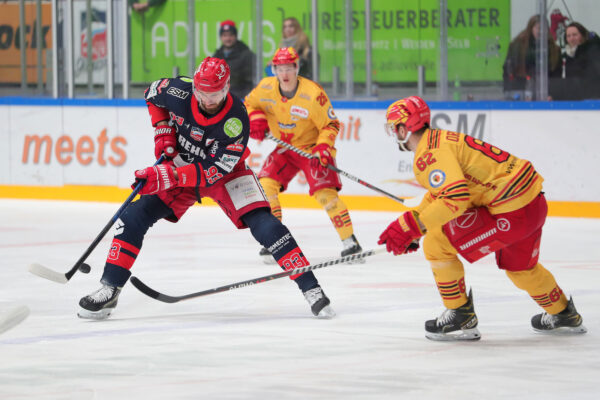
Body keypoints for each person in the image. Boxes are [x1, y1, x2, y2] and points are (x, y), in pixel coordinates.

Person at [77, 57, 335, 320]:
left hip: (225, 174)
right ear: (194, 86)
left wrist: (169, 175)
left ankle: (311, 288)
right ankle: (110, 287)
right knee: (133, 216)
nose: (208, 100)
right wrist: (164, 131)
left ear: (226, 88)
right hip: (182, 164)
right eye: (202, 93)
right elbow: (152, 94)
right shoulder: (178, 90)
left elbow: (214, 171)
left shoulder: (236, 119)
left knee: (267, 225)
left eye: (215, 94)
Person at [378, 96, 587, 341]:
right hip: (533, 203)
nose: (394, 134)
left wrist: (416, 227)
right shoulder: (441, 140)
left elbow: (454, 199)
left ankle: (460, 314)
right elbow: (444, 193)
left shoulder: (428, 155)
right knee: (521, 269)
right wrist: (413, 222)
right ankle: (563, 313)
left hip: (511, 212)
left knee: (436, 244)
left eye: (394, 128)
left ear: (404, 128)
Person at [244, 47, 363, 264]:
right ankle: (275, 241)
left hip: (311, 149)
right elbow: (250, 104)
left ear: (297, 67)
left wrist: (323, 148)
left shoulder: (313, 94)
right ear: (274, 70)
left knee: (325, 195)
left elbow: (331, 124)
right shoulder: (265, 88)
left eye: (289, 67)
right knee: (265, 186)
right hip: (284, 149)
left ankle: (350, 243)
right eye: (280, 68)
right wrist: (257, 118)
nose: (285, 73)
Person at [502, 15, 561, 100]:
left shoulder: (554, 49)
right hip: (520, 91)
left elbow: (556, 76)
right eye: (538, 28)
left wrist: (553, 94)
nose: (541, 31)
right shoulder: (517, 45)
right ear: (531, 28)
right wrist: (509, 91)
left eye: (544, 28)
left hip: (545, 93)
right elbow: (508, 69)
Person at [550, 22, 600, 100]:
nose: (571, 38)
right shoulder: (564, 57)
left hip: (591, 101)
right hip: (570, 101)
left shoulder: (592, 54)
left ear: (583, 36)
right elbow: (559, 81)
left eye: (575, 35)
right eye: (568, 36)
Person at [213, 20, 256, 98]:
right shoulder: (217, 55)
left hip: (241, 96)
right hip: (222, 96)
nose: (228, 38)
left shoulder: (246, 54)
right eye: (224, 35)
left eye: (230, 35)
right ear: (221, 37)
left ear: (235, 36)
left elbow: (251, 81)